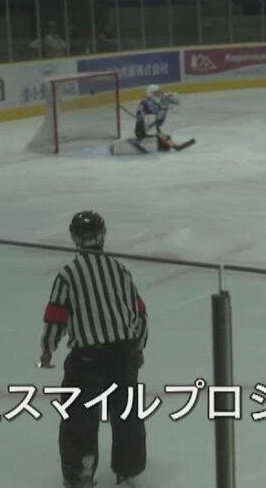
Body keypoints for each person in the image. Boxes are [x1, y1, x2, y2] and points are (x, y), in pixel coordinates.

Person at [39, 211, 149, 488]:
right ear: (102, 235)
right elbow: (139, 312)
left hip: (87, 357)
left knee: (79, 414)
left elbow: (56, 315)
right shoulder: (119, 269)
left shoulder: (68, 275)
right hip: (123, 352)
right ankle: (128, 467)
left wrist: (48, 349)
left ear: (74, 237)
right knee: (126, 412)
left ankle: (81, 470)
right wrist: (138, 345)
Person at [134, 84, 186, 152]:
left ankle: (160, 140)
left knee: (165, 137)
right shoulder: (145, 103)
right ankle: (143, 138)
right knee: (163, 139)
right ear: (151, 93)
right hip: (144, 130)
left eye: (159, 92)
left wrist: (170, 98)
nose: (159, 94)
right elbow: (141, 115)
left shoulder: (160, 100)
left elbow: (178, 101)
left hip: (154, 128)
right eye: (156, 93)